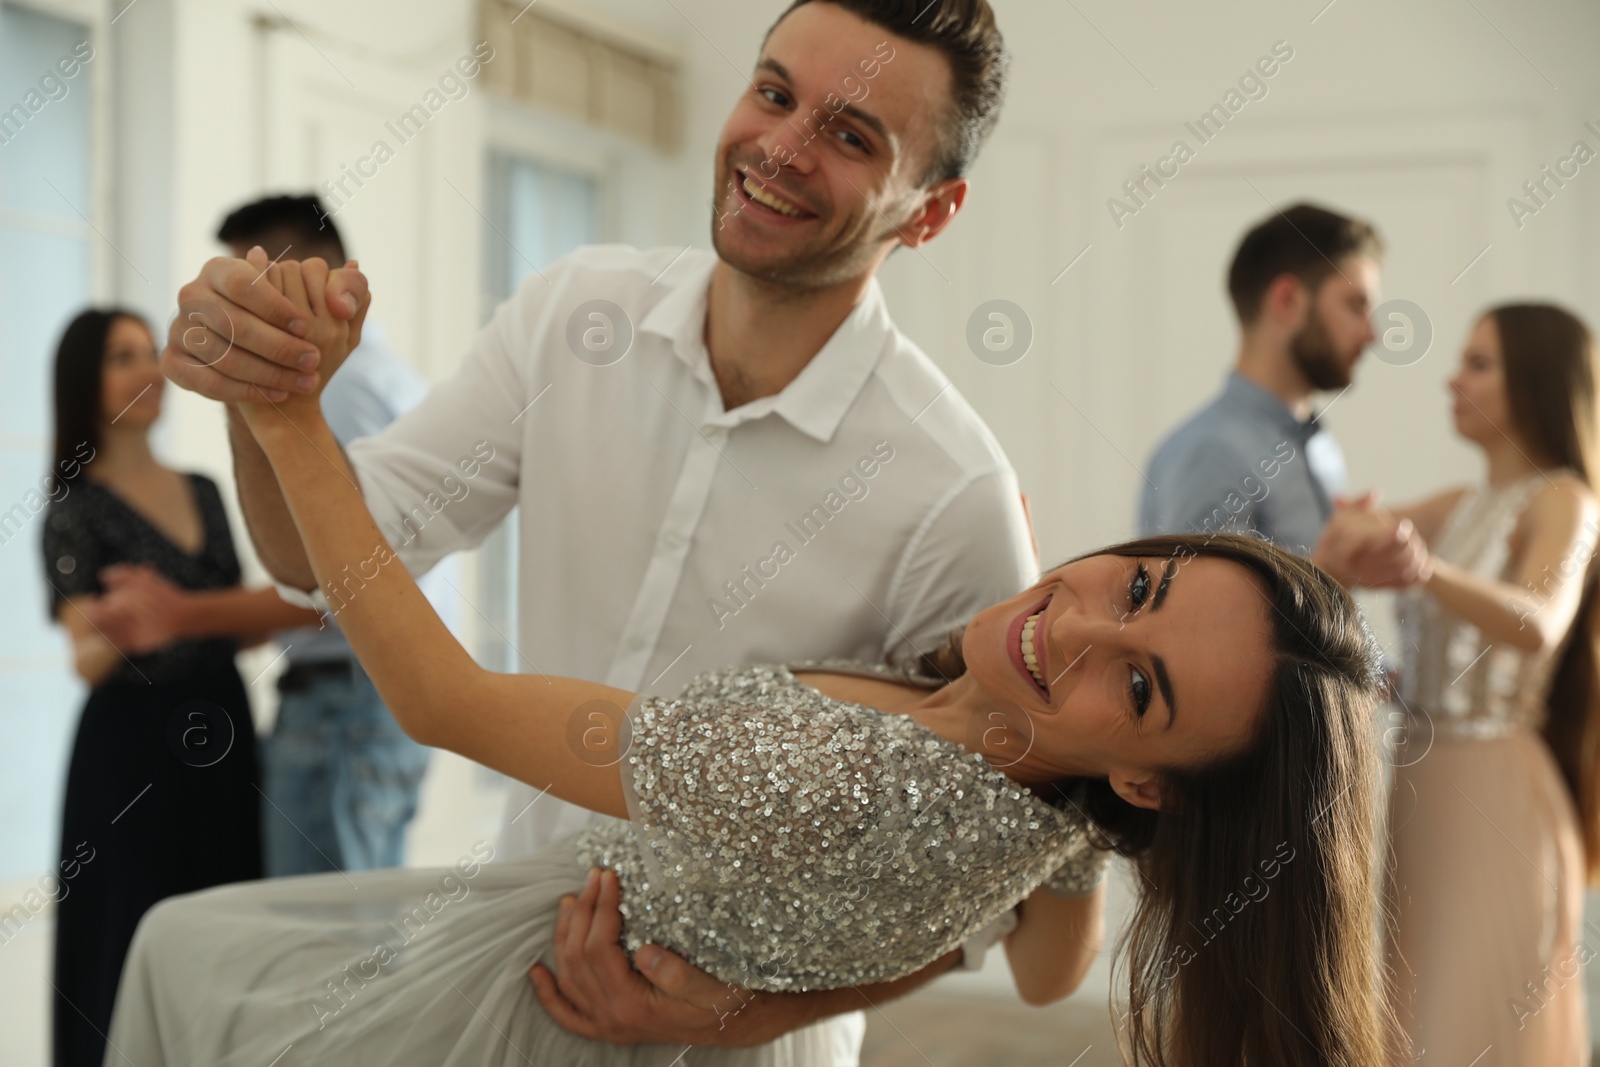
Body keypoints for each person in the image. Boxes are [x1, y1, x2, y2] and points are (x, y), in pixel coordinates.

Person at [109, 255, 1393, 1067]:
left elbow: (442, 699)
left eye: (1139, 682)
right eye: (1144, 584)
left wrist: (283, 414)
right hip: (660, 1016)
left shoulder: (828, 759)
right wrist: (762, 999)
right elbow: (1048, 961)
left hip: (546, 1010)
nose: (1080, 623)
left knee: (180, 953)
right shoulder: (1058, 805)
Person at [160, 0, 1042, 1053]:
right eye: (773, 92)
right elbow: (320, 561)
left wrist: (742, 1011)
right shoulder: (574, 318)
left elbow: (1004, 886)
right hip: (513, 967)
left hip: (742, 1031)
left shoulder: (954, 493)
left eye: (851, 136)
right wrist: (261, 387)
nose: (781, 147)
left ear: (930, 211)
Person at [1313, 304, 1600, 1065]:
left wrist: (1420, 567)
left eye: (1479, 363)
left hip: (1497, 793)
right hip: (1419, 780)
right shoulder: (1457, 504)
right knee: (1411, 1016)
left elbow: (1541, 619)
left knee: (1478, 1022)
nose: (1453, 379)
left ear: (1536, 380)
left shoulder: (1565, 499)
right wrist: (1353, 535)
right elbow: (1342, 552)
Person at [39, 309, 322, 1067]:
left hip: (222, 734)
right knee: (125, 935)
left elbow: (243, 625)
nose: (147, 370)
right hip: (127, 751)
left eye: (148, 351)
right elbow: (85, 658)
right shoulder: (72, 508)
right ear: (85, 384)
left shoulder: (203, 489)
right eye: (122, 356)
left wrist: (187, 614)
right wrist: (115, 623)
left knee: (229, 929)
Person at [215, 193, 441, 877]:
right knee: (355, 948)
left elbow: (332, 581)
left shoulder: (337, 391)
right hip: (373, 709)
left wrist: (182, 617)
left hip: (342, 709)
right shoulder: (389, 379)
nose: (232, 319)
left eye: (244, 290)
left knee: (326, 960)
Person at [1140, 203, 1383, 555]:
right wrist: (1333, 574)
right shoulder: (1209, 453)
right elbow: (1195, 608)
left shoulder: (1320, 446)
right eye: (1355, 306)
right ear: (1287, 301)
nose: (1371, 335)